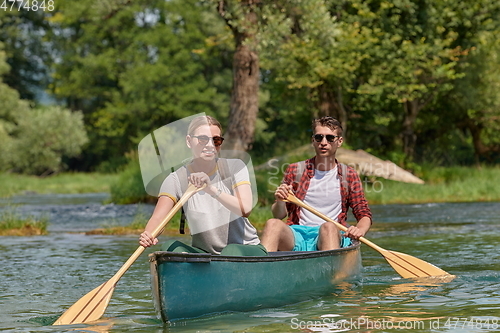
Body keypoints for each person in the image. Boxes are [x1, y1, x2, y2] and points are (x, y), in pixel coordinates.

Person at [139, 115, 267, 256]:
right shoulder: (175, 179)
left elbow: (245, 208)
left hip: (245, 249)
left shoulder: (235, 167)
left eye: (216, 140)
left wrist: (211, 189)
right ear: (189, 141)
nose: (210, 145)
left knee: (230, 251)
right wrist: (148, 234)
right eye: (203, 139)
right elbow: (158, 218)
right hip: (206, 255)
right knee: (170, 247)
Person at [260, 116, 372, 252]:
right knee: (273, 224)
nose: (324, 142)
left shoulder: (349, 175)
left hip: (330, 233)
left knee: (328, 227)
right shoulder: (295, 170)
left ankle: (330, 271)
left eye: (330, 138)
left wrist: (359, 230)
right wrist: (280, 201)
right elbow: (278, 215)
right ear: (313, 140)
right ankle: (263, 268)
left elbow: (364, 214)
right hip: (297, 234)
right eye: (319, 137)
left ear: (339, 141)